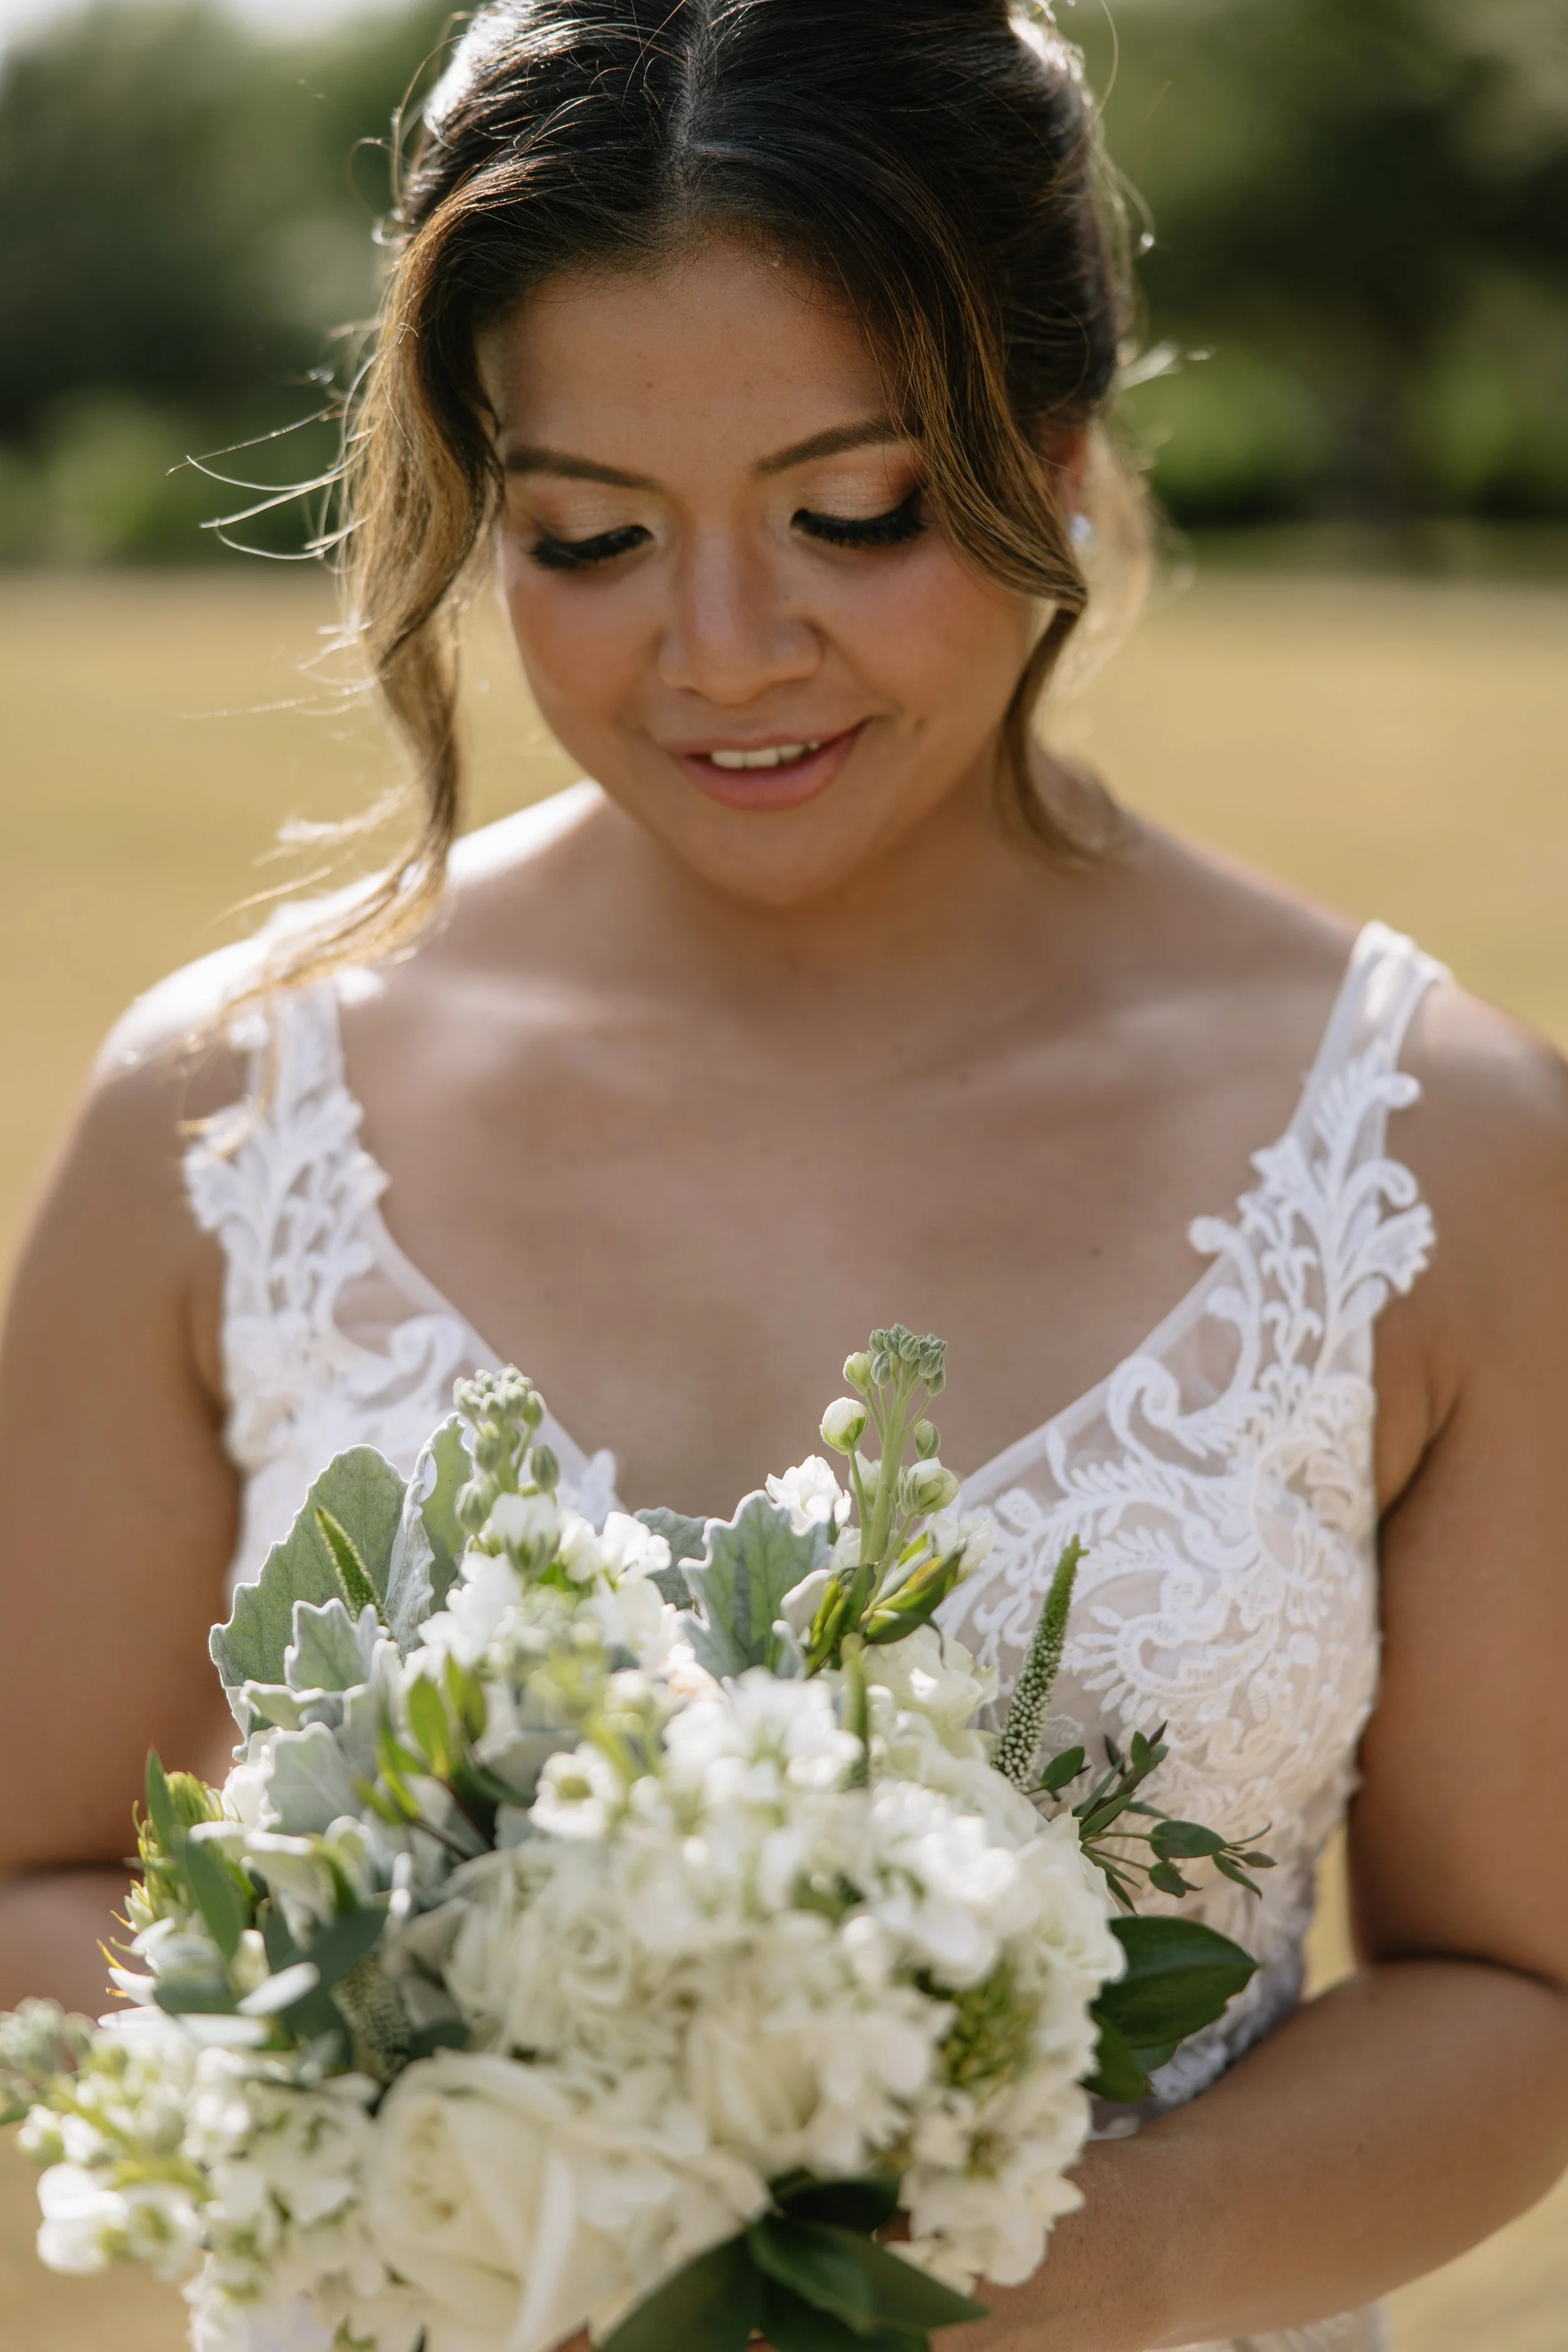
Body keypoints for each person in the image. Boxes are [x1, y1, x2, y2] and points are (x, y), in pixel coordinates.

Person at [2, 3, 1566, 2347]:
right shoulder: (216, 1119)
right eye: (587, 537)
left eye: (854, 513)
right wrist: (449, 2117)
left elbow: (1517, 1981)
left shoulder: (1438, 1146)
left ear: (1051, 446)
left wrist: (1114, 2249)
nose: (722, 653)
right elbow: (29, 1867)